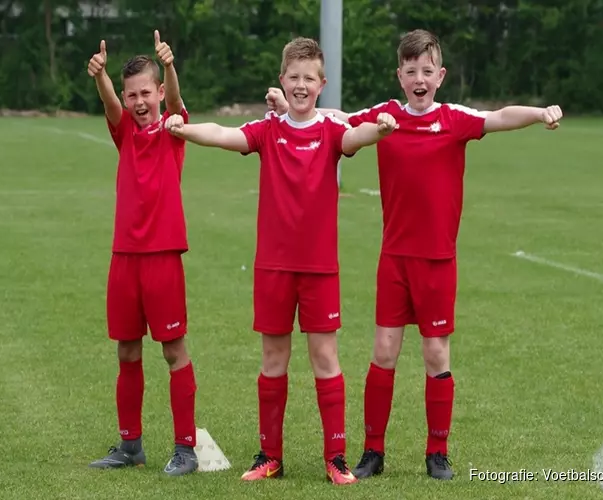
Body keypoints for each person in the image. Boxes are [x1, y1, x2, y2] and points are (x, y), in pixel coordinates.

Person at [267, 28, 563, 481]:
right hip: (395, 259)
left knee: (435, 355)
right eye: (410, 71)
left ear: (440, 76)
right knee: (383, 351)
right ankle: (372, 452)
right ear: (399, 76)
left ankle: (437, 452)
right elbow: (335, 117)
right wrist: (290, 107)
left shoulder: (454, 118)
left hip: (438, 261)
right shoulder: (385, 116)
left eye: (427, 70)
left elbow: (499, 116)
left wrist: (541, 112)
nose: (419, 78)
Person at [164, 37, 397, 485]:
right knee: (273, 359)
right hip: (273, 267)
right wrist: (184, 129)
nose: (302, 85)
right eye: (295, 77)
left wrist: (380, 129)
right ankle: (269, 455)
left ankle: (336, 458)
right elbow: (225, 134)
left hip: (319, 268)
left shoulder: (329, 131)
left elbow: (355, 136)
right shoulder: (269, 129)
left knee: (325, 359)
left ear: (322, 84)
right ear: (283, 80)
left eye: (310, 78)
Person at [86, 31, 199, 476]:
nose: (138, 101)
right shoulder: (125, 134)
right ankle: (131, 444)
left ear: (157, 94)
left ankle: (185, 448)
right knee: (126, 352)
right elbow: (111, 105)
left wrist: (169, 66)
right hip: (124, 258)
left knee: (174, 351)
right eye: (131, 93)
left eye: (145, 93)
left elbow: (174, 100)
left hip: (162, 257)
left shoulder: (173, 128)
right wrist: (101, 77)